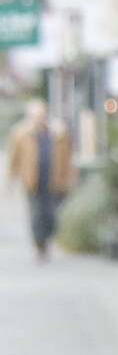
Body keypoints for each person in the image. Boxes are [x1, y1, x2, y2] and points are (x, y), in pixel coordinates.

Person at [6, 98, 75, 262]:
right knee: (36, 215)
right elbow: (14, 158)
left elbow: (67, 157)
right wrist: (11, 180)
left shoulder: (58, 133)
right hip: (33, 181)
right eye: (36, 116)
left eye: (42, 115)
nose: (40, 119)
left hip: (54, 180)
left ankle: (47, 238)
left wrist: (70, 177)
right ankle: (39, 244)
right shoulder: (21, 133)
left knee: (52, 214)